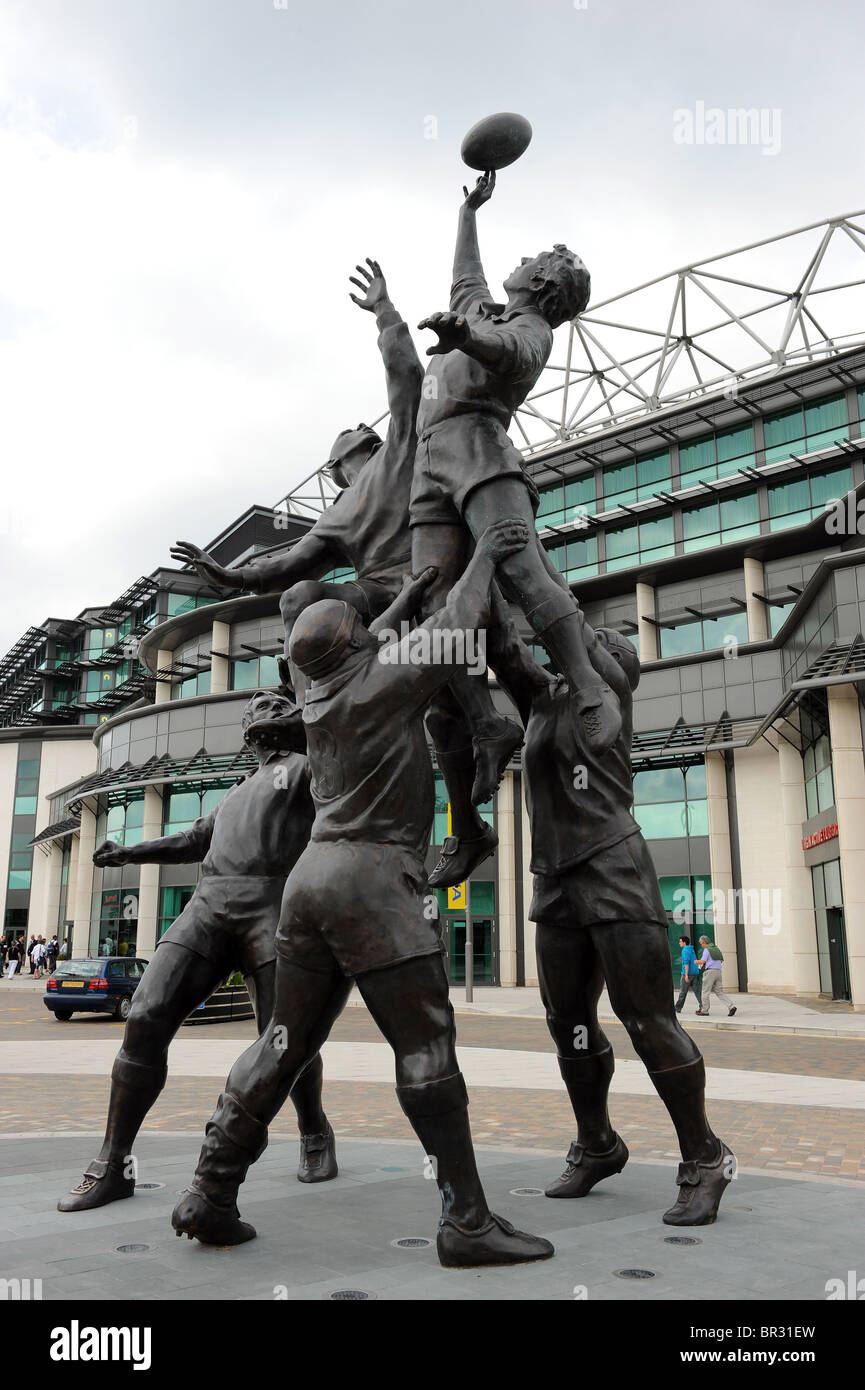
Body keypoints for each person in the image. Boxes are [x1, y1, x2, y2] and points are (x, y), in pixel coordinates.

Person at [171, 519, 554, 1269]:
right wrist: (486, 552)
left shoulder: (315, 689)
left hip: (308, 885)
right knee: (425, 1043)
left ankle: (209, 1192)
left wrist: (402, 592)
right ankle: (467, 1221)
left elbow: (366, 636)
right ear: (358, 650)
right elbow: (460, 623)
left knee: (282, 1042)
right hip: (371, 881)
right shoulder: (385, 682)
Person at [171, 261, 543, 888]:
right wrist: (228, 578)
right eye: (348, 455)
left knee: (437, 695)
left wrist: (387, 316)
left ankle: (474, 788)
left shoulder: (403, 450)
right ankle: (329, 709)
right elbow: (287, 567)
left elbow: (405, 379)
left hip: (430, 585)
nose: (349, 463)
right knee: (311, 604)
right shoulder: (347, 507)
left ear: (350, 458)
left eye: (347, 453)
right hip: (389, 597)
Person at [57, 689, 335, 1213]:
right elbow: (191, 840)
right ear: (247, 727)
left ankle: (314, 1129)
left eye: (279, 703)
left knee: (282, 1037)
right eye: (261, 705)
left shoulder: (306, 769)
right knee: (144, 1015)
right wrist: (129, 851)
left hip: (271, 906)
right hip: (207, 907)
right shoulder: (234, 792)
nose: (268, 707)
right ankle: (113, 1163)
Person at [409, 170, 622, 774]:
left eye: (533, 257)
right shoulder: (485, 308)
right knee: (430, 595)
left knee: (522, 568)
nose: (523, 257)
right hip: (431, 461)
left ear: (542, 281)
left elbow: (510, 355)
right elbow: (466, 275)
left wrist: (466, 337)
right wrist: (468, 212)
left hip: (479, 446)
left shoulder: (530, 329)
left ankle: (587, 686)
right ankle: (486, 723)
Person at [520, 628, 735, 1226]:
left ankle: (706, 1156)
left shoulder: (607, 689)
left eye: (596, 646)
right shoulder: (541, 701)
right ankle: (598, 1144)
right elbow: (505, 650)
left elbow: (567, 637)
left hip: (613, 865)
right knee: (569, 1023)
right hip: (555, 877)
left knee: (645, 1019)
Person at [696, 936, 737, 1017]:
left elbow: (702, 961)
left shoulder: (707, 949)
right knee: (719, 992)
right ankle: (731, 1006)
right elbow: (721, 960)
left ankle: (704, 1010)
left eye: (701, 944)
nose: (701, 945)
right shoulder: (716, 949)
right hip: (718, 972)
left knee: (705, 991)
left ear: (704, 942)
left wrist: (695, 961)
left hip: (710, 972)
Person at [675, 935, 703, 1014]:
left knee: (683, 992)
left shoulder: (685, 950)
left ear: (684, 942)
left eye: (680, 941)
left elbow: (686, 963)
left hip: (687, 974)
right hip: (694, 973)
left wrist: (686, 975)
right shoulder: (691, 949)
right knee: (698, 992)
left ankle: (677, 1008)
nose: (679, 943)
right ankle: (703, 1007)